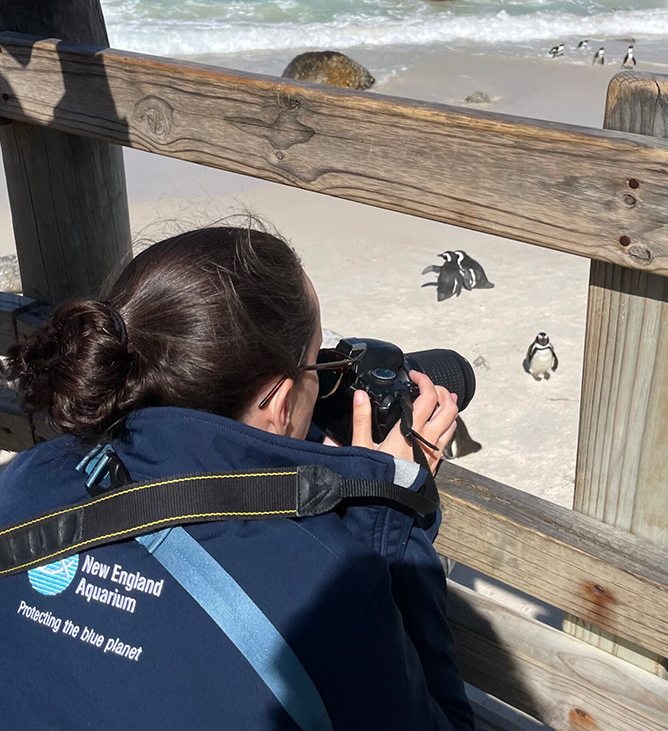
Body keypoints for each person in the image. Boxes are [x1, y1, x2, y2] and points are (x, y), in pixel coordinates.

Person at [0, 224, 474, 731]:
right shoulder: (329, 597)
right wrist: (389, 512)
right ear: (280, 401)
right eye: (318, 365)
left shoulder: (24, 481)